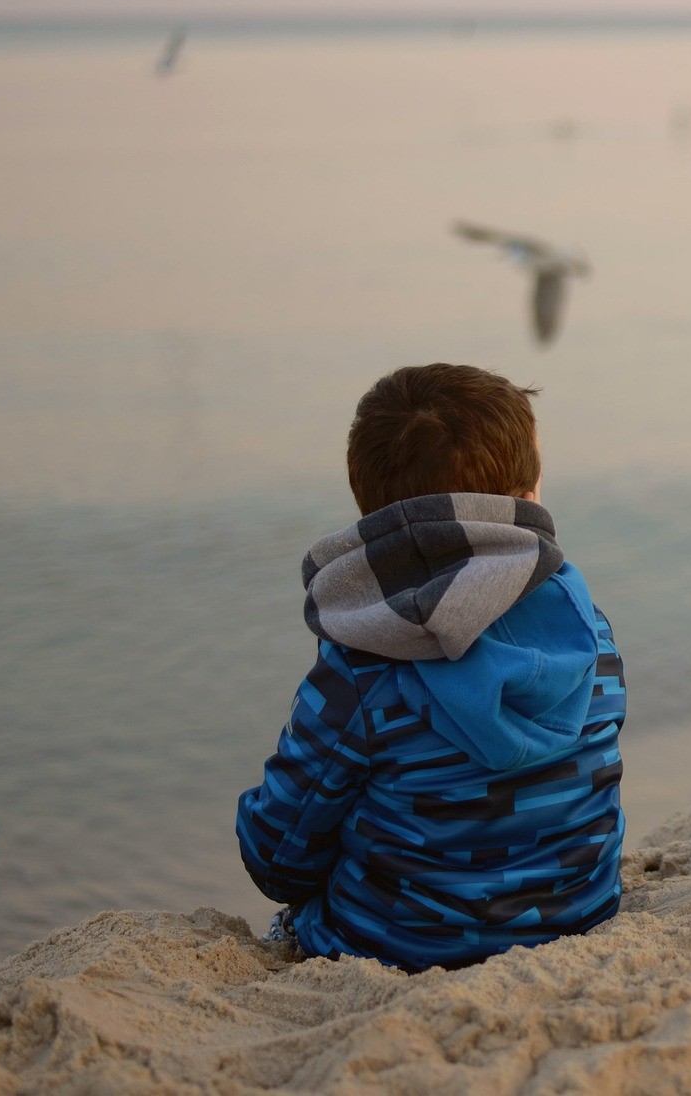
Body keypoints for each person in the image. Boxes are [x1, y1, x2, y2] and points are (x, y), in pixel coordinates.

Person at [235, 363, 626, 971]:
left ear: (371, 514)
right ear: (527, 501)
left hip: (401, 949)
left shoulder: (364, 664)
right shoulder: (587, 629)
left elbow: (277, 856)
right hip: (582, 920)